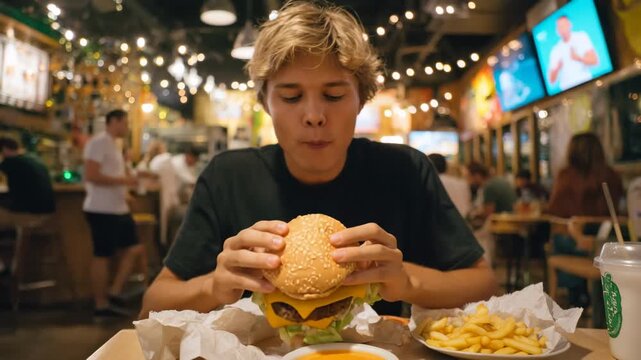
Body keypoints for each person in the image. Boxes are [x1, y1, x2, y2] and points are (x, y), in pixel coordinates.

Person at [140, 1, 497, 318]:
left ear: (361, 99)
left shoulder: (405, 170)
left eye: (334, 94)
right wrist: (213, 287)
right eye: (292, 97)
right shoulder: (228, 176)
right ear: (266, 104)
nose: (313, 115)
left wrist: (405, 282)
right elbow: (152, 304)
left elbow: (482, 283)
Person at [546, 132, 624, 309]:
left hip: (575, 243)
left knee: (558, 240)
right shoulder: (612, 175)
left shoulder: (566, 176)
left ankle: (576, 297)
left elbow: (554, 211)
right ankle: (595, 300)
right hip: (605, 244)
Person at [83, 110, 145, 318]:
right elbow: (91, 175)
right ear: (114, 122)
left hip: (117, 208)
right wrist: (124, 182)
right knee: (102, 255)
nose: (127, 128)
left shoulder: (113, 144)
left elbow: (109, 175)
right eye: (125, 123)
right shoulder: (99, 142)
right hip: (101, 209)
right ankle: (100, 304)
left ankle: (114, 292)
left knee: (134, 248)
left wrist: (124, 192)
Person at [0, 136, 56, 276]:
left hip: (29, 216)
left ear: (5, 150)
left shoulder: (11, 162)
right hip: (48, 215)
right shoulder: (34, 159)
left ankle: (4, 267)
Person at [466, 162, 517, 263]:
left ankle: (483, 263)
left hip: (504, 224)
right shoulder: (499, 180)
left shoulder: (489, 187)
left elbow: (488, 212)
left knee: (471, 235)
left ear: (477, 175)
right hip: (512, 221)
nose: (468, 180)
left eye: (469, 176)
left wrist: (472, 216)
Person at [548, 15, 599, 91]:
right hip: (567, 92)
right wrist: (557, 68)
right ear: (557, 30)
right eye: (559, 26)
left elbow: (595, 61)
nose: (562, 29)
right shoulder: (555, 50)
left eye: (564, 25)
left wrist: (579, 58)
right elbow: (551, 81)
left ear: (569, 25)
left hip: (587, 84)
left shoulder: (581, 37)